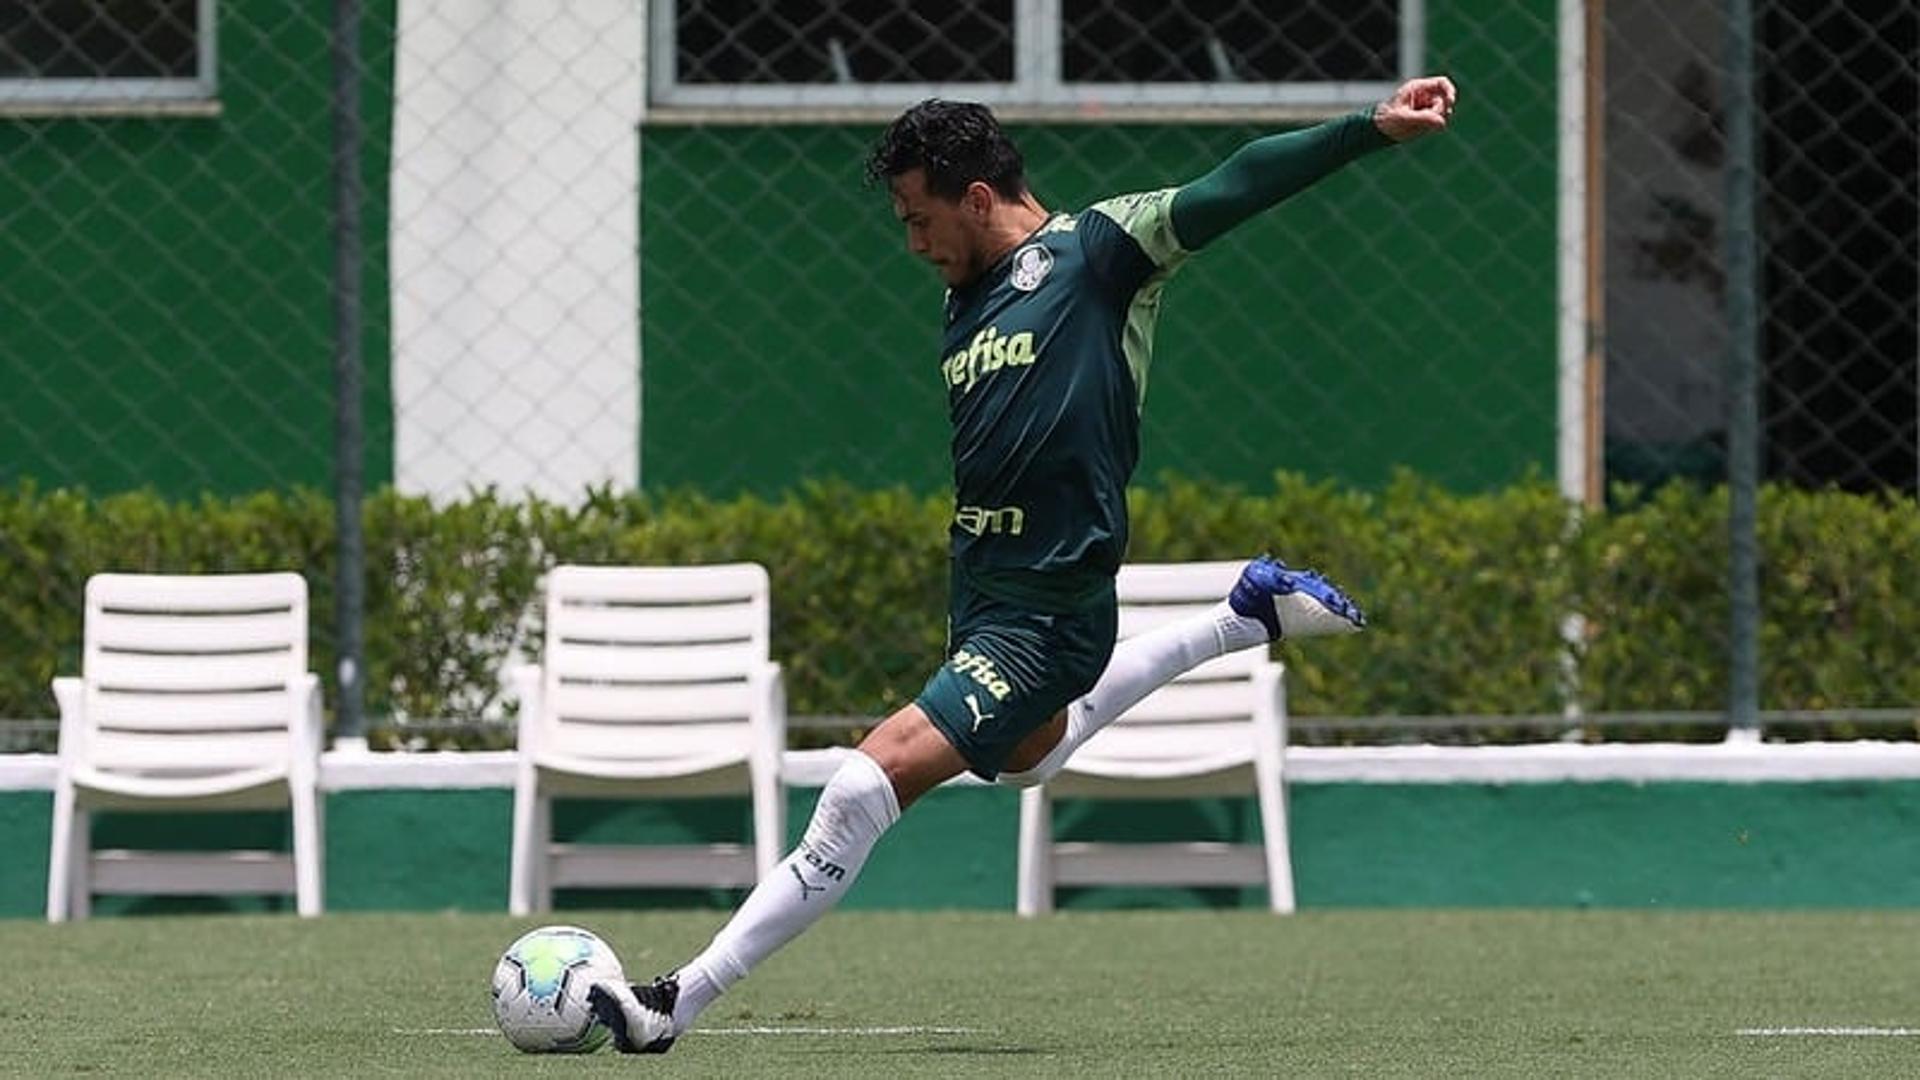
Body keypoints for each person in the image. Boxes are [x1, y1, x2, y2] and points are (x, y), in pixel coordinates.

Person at [590, 74, 1458, 1053]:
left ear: (974, 198)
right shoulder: (961, 303)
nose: (913, 244)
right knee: (1031, 762)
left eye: (921, 220)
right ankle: (1243, 615)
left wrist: (1367, 129)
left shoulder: (1097, 254)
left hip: (1049, 613)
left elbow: (1234, 184)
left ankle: (673, 1003)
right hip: (984, 596)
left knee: (861, 789)